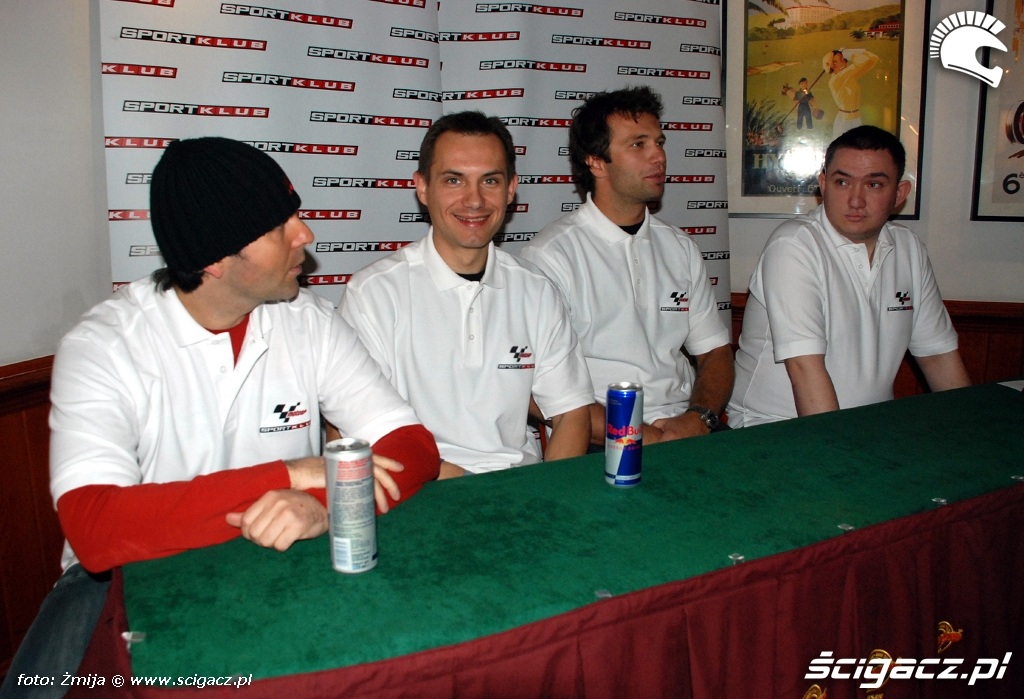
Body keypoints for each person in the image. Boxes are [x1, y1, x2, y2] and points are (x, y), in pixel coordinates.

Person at [1, 137, 439, 698]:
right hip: (121, 579)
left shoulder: (310, 322)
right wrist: (288, 475)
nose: (305, 234)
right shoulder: (103, 347)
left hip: (278, 558)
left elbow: (413, 447)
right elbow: (97, 528)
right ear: (213, 259)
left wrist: (324, 502)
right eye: (280, 225)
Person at [339, 112, 593, 476]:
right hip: (422, 486)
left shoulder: (536, 289)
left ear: (510, 189)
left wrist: (548, 496)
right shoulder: (374, 294)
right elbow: (358, 428)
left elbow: (571, 413)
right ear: (422, 187)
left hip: (520, 484)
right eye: (454, 180)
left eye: (490, 180)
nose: (474, 200)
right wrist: (456, 484)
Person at [520, 86, 734, 447]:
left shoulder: (680, 247)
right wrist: (635, 432)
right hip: (595, 438)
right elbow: (531, 387)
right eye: (638, 145)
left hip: (684, 428)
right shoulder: (551, 256)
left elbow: (715, 353)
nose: (658, 156)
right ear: (596, 161)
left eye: (659, 143)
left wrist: (699, 417)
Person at [727, 125, 970, 428]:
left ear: (899, 194)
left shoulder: (909, 248)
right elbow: (805, 370)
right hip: (776, 427)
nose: (855, 200)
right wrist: (842, 452)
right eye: (842, 182)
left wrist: (970, 431)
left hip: (869, 428)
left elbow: (938, 357)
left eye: (873, 185)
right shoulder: (793, 245)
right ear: (823, 185)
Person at [824, 48, 879, 138]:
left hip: (856, 119)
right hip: (843, 122)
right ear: (832, 66)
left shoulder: (850, 77)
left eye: (843, 58)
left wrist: (856, 50)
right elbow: (861, 62)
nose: (843, 61)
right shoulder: (835, 80)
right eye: (839, 60)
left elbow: (874, 59)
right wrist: (847, 53)